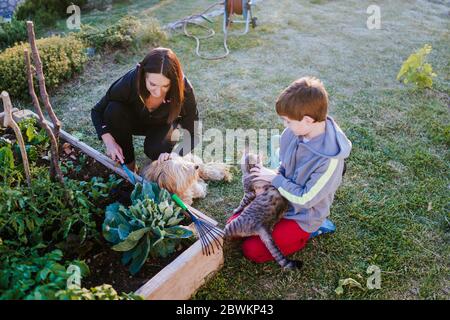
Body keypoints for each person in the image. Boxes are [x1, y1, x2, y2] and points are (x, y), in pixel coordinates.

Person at [227, 76, 352, 263]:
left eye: (288, 121)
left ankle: (310, 233)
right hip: (280, 201)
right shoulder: (292, 133)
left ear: (308, 120)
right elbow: (284, 167)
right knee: (233, 227)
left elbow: (306, 199)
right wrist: (266, 180)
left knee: (252, 250)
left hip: (303, 214)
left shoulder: (329, 161)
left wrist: (275, 179)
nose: (285, 126)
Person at [91, 47, 199, 172]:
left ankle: (159, 168)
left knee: (157, 150)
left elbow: (194, 134)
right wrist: (109, 141)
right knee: (113, 110)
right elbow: (97, 111)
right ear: (142, 75)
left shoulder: (184, 90)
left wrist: (175, 155)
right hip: (133, 120)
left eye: (165, 86)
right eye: (152, 84)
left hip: (163, 125)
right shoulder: (131, 80)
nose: (158, 92)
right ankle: (129, 167)